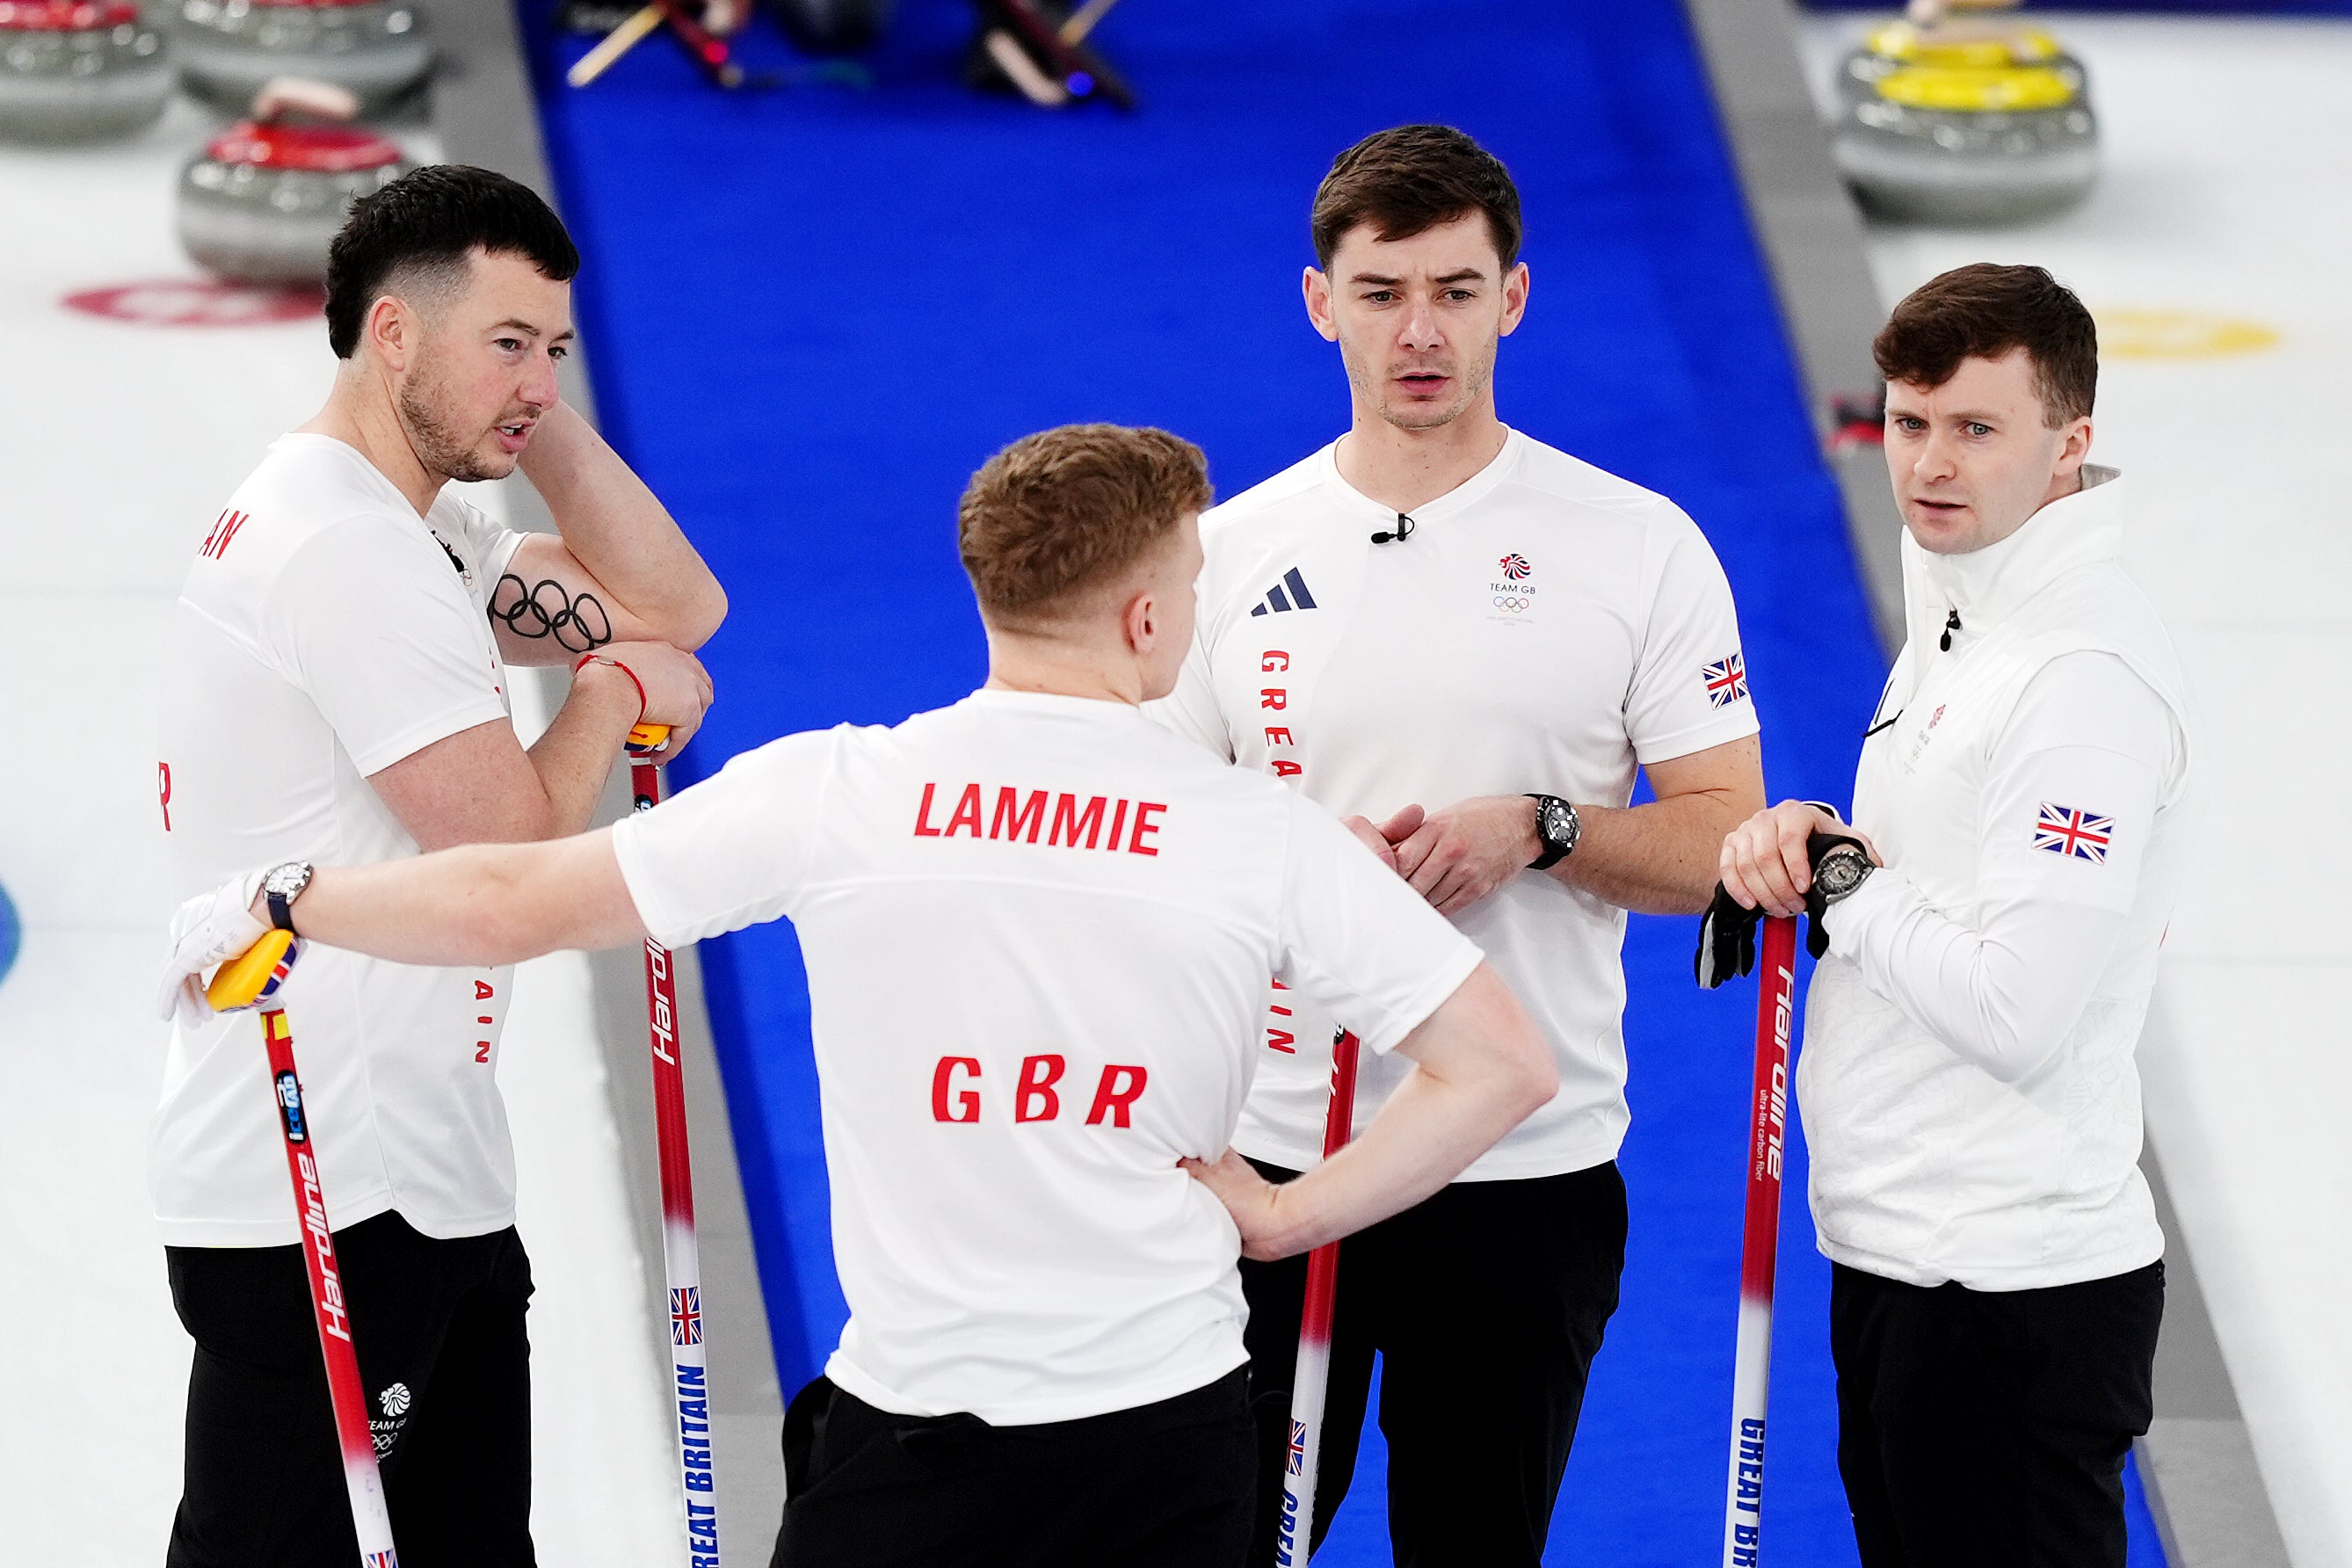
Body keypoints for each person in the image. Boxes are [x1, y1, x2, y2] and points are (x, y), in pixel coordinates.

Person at [159, 423, 1562, 1568]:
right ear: (1147, 616)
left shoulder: (841, 789)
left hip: (911, 1450)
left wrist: (289, 899)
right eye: (1191, 588)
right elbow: (1502, 1065)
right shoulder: (1261, 833)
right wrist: (1286, 1217)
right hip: (1164, 1443)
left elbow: (509, 900)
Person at [1150, 124, 1768, 1565]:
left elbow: (1727, 839)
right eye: (1380, 293)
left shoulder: (1639, 546)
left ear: (1515, 297)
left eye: (1454, 289)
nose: (1419, 331)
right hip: (1271, 1167)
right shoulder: (1225, 555)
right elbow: (1150, 851)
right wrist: (1299, 879)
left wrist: (1543, 834)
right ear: (1321, 303)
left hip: (1520, 1172)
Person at [153, 163, 723, 1567]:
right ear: (393, 334)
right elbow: (509, 853)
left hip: (426, 1172)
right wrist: (606, 695)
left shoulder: (424, 525)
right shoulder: (343, 549)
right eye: (507, 343)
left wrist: (524, 414)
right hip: (323, 1198)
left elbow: (678, 606)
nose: (537, 383)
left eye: (558, 349)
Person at [1709, 263, 2198, 1567]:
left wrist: (1847, 888)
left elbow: (2016, 1010)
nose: (1929, 462)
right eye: (1911, 422)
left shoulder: (2078, 675)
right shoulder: (1965, 603)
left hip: (2007, 1289)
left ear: (2068, 441)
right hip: (1908, 1253)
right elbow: (1925, 866)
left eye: (1976, 429)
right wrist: (1811, 847)